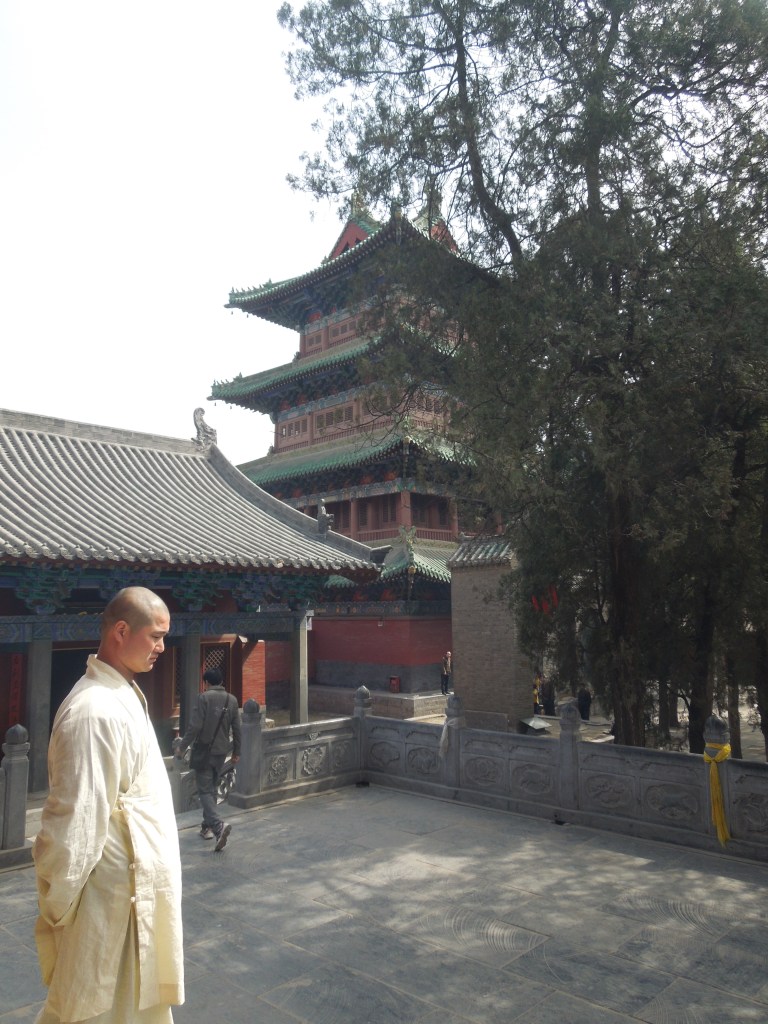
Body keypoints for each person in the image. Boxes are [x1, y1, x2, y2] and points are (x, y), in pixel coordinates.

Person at [32, 586, 184, 1024]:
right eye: (155, 636)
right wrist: (58, 903)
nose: (161, 648)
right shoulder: (93, 711)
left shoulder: (121, 695)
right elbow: (74, 824)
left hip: (136, 899)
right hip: (110, 905)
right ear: (121, 630)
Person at [173, 668, 241, 851]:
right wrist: (237, 751)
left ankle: (218, 826)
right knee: (211, 788)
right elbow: (237, 728)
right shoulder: (232, 700)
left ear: (207, 682)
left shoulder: (204, 698)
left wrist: (182, 747)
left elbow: (195, 726)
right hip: (221, 752)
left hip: (204, 751)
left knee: (204, 790)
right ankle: (207, 827)